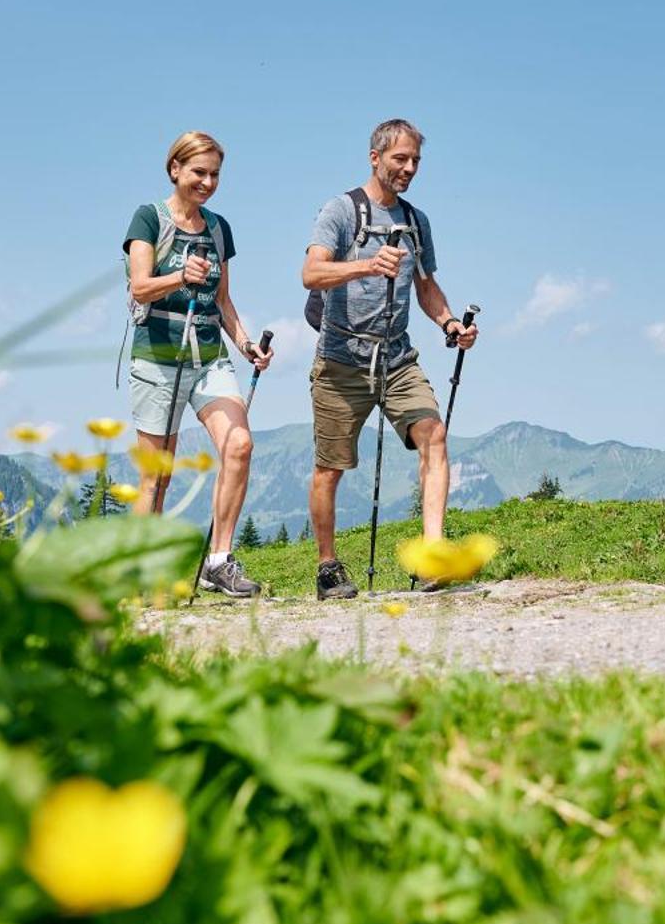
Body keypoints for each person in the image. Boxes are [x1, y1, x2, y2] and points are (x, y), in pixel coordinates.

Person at [300, 118, 478, 600]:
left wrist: (449, 324)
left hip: (397, 358)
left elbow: (425, 286)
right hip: (341, 360)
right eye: (401, 158)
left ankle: (433, 556)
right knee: (330, 468)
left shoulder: (417, 222)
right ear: (375, 157)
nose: (409, 168)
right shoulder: (340, 211)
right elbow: (311, 273)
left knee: (433, 435)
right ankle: (327, 565)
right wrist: (366, 263)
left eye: (416, 160)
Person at [124, 131, 273, 597]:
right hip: (159, 356)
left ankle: (218, 561)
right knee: (158, 475)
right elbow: (139, 287)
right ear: (175, 170)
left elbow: (223, 301)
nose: (207, 182)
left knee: (240, 444)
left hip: (209, 354)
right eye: (198, 172)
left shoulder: (218, 228)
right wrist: (178, 276)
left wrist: (247, 344)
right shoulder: (149, 218)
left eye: (214, 174)